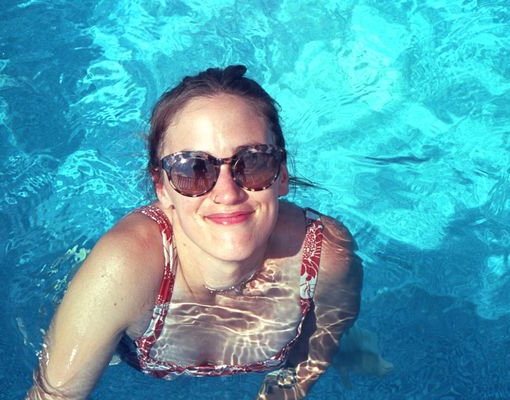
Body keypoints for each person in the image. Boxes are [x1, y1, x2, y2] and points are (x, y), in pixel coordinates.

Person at [27, 65, 364, 399]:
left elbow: (301, 368)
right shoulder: (123, 269)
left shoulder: (323, 258)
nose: (227, 193)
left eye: (253, 161)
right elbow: (54, 395)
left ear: (283, 173)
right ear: (161, 187)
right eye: (193, 169)